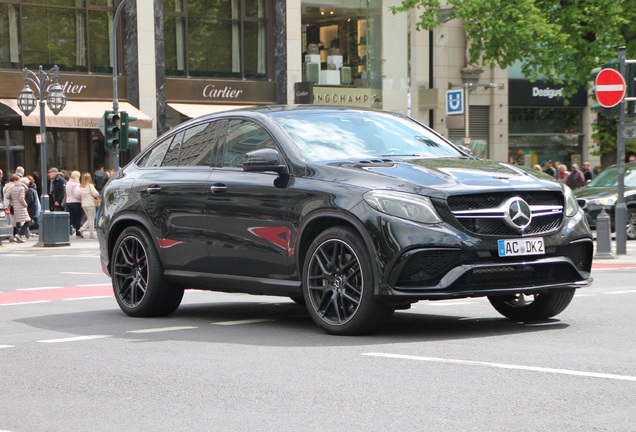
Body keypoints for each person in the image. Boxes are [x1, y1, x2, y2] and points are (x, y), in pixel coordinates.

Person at [6, 174, 31, 243]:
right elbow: (21, 198)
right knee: (27, 220)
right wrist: (25, 204)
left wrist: (13, 199)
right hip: (21, 207)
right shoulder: (21, 188)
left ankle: (18, 236)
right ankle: (19, 235)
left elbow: (7, 196)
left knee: (18, 222)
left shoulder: (12, 187)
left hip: (14, 206)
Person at [79, 172, 100, 239]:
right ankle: (91, 234)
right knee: (91, 219)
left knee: (89, 218)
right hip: (90, 204)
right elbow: (96, 194)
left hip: (84, 204)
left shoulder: (81, 187)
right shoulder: (90, 186)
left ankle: (82, 229)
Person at [65, 170, 83, 238]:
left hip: (69, 202)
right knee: (77, 218)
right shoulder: (75, 184)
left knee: (71, 218)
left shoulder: (68, 183)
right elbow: (77, 194)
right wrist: (81, 197)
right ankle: (78, 232)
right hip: (76, 202)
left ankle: (66, 230)